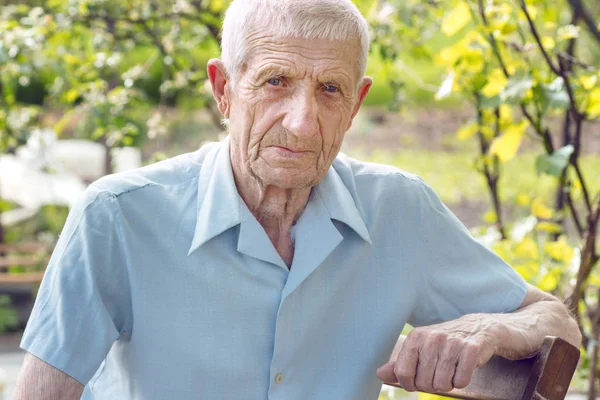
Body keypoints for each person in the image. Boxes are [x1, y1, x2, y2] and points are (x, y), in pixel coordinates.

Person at [15, 0, 581, 399]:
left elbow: (556, 320)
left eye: (329, 89)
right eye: (275, 81)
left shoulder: (398, 211)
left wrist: (489, 329)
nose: (303, 123)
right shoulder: (117, 217)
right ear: (223, 90)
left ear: (356, 104)